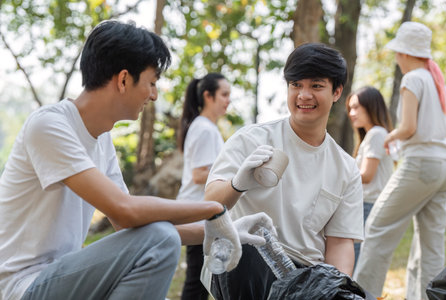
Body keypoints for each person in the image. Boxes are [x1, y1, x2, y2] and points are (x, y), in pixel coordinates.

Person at [0, 20, 273, 300]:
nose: (154, 95)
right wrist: (213, 210)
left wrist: (220, 231)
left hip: (62, 278)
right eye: (151, 83)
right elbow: (125, 210)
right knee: (160, 238)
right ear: (123, 80)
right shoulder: (49, 126)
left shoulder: (102, 140)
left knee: (159, 238)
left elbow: (129, 224)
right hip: (23, 287)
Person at [203, 43, 365, 299]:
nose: (304, 95)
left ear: (337, 92)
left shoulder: (345, 168)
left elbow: (340, 245)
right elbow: (210, 203)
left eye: (316, 86)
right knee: (249, 245)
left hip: (304, 277)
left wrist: (333, 290)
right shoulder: (251, 139)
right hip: (243, 261)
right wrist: (237, 184)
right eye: (296, 85)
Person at [354, 22, 446, 300]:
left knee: (376, 227)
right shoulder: (438, 82)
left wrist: (388, 138)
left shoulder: (413, 79)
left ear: (406, 53)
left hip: (420, 164)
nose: (396, 59)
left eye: (398, 53)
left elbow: (408, 127)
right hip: (444, 166)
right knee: (430, 245)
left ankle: (361, 295)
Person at [177, 73, 231, 300]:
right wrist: (237, 177)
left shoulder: (206, 127)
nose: (228, 100)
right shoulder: (205, 129)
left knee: (203, 280)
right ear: (208, 96)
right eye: (224, 94)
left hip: (201, 213)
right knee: (198, 282)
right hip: (197, 213)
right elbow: (199, 175)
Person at [345, 86, 394, 265]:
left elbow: (366, 175)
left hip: (369, 205)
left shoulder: (376, 134)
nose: (351, 113)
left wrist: (338, 177)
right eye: (350, 108)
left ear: (371, 106)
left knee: (358, 260)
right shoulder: (373, 135)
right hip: (366, 205)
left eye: (356, 107)